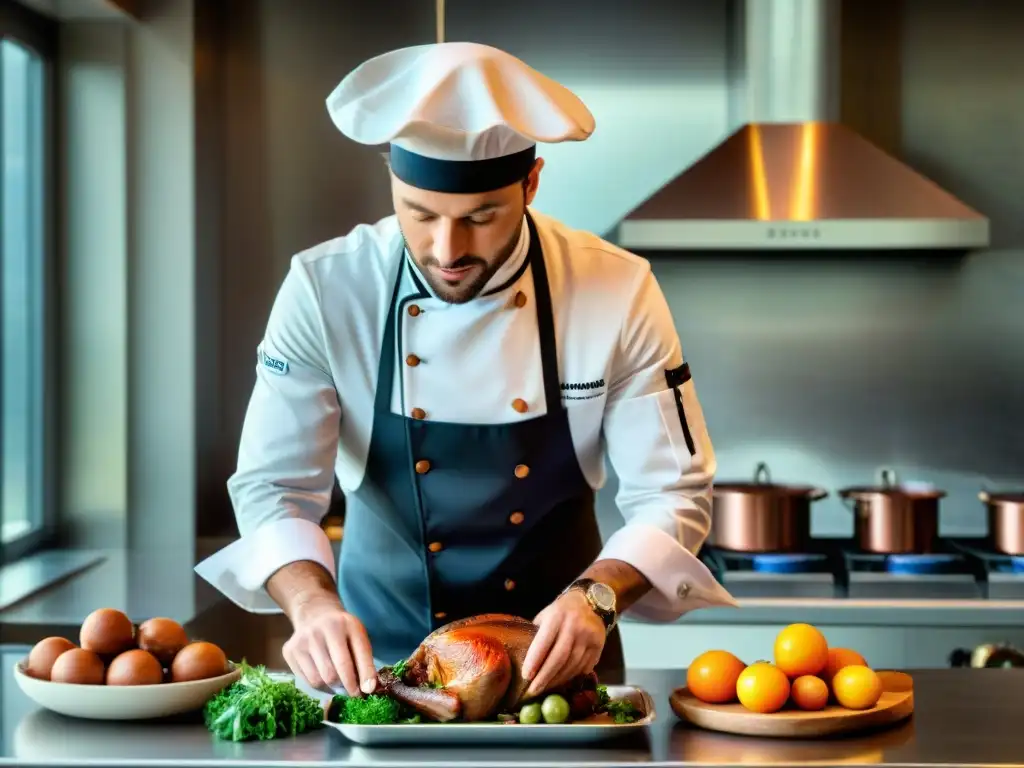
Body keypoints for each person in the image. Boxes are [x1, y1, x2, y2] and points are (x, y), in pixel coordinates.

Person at [195, 41, 737, 701]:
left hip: (561, 673)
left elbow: (673, 491)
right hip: (379, 673)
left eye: (481, 218)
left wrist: (597, 596)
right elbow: (275, 485)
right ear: (390, 179)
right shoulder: (326, 288)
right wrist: (311, 605)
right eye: (419, 214)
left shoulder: (615, 289)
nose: (448, 250)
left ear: (531, 184)